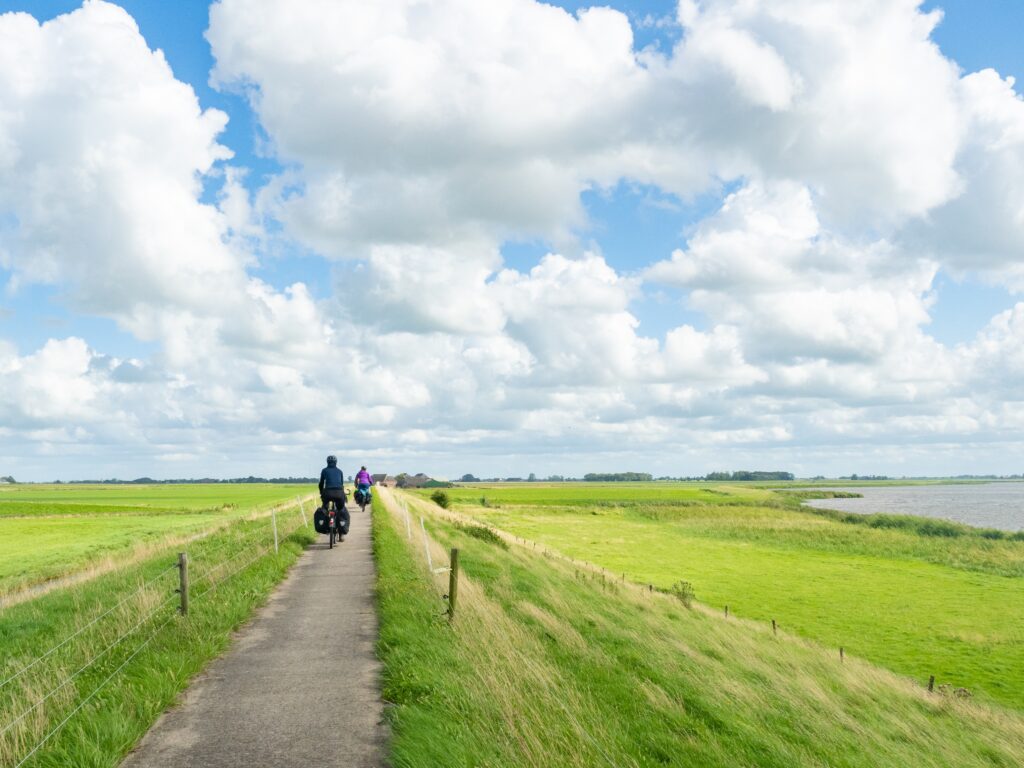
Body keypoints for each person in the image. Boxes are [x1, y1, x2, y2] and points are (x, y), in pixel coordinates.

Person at [319, 455, 349, 539]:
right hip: (339, 494)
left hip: (327, 493)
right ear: (336, 462)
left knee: (324, 509)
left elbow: (321, 483)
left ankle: (325, 527)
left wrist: (321, 492)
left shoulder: (324, 470)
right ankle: (341, 534)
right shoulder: (340, 471)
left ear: (327, 462)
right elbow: (341, 484)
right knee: (341, 510)